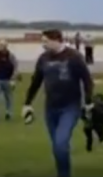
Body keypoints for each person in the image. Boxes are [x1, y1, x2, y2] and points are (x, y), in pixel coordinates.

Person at [22, 29, 94, 177]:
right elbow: (36, 81)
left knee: (60, 144)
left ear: (57, 40)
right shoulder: (43, 58)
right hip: (50, 108)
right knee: (57, 145)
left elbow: (87, 80)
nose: (43, 45)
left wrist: (88, 102)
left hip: (70, 106)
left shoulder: (74, 56)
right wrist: (27, 103)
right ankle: (63, 169)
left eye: (45, 41)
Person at [0, 39, 19, 122]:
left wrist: (13, 79)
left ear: (6, 46)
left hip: (7, 80)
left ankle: (9, 113)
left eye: (3, 46)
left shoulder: (11, 56)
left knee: (8, 97)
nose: (1, 47)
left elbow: (15, 67)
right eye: (0, 45)